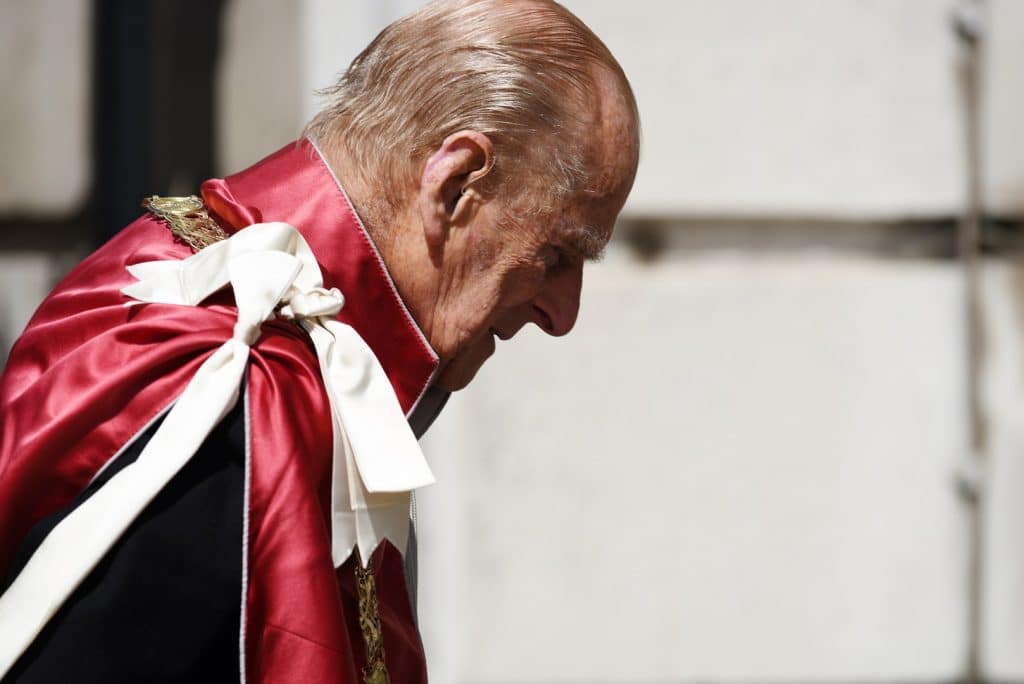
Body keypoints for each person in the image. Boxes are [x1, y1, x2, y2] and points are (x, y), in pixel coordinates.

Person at [0, 0, 639, 681]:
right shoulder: (231, 389)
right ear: (455, 185)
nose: (561, 313)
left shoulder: (210, 294)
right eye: (557, 253)